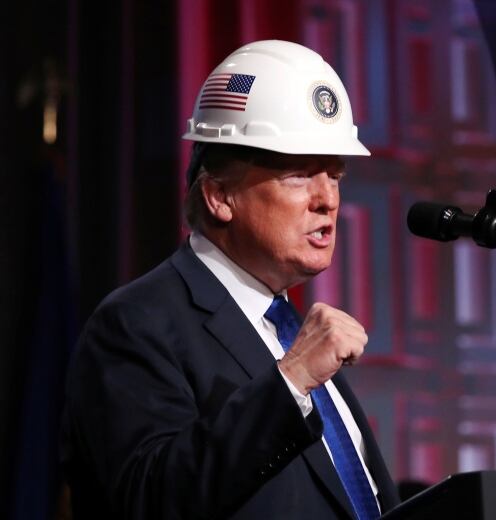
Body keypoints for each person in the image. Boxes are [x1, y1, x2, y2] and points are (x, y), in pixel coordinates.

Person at [60, 40, 400, 519]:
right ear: (220, 196)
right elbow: (148, 499)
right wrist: (293, 378)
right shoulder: (136, 324)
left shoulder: (287, 331)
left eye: (336, 175)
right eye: (301, 175)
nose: (328, 199)